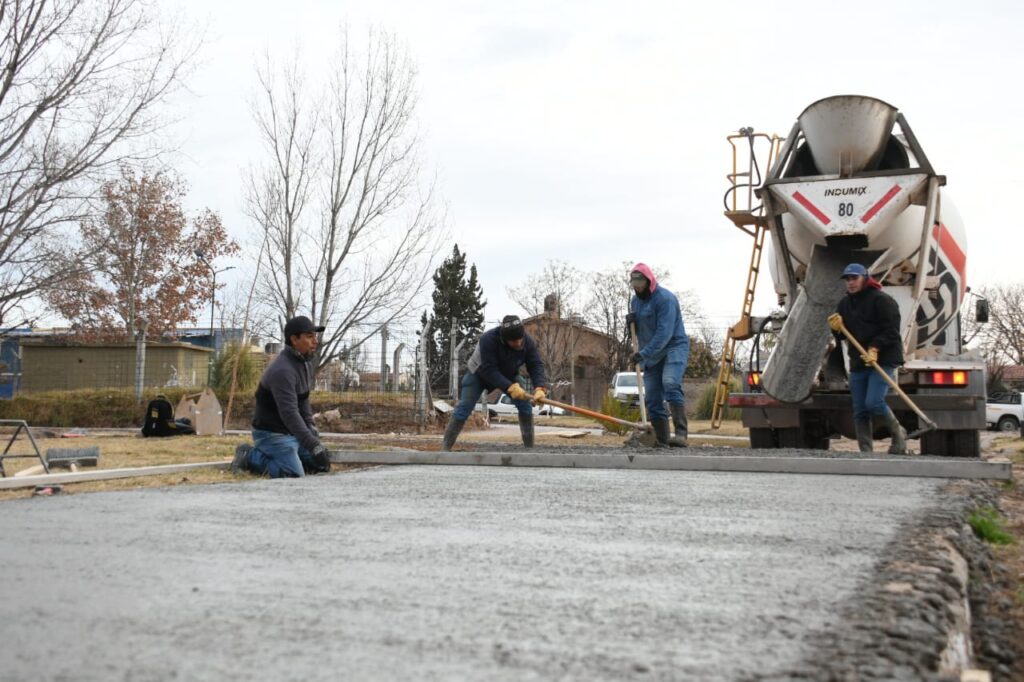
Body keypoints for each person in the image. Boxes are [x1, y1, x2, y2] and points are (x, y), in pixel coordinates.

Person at [231, 315, 333, 477]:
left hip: (291, 432)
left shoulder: (303, 363)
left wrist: (311, 431)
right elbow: (290, 413)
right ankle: (249, 456)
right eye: (309, 336)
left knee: (320, 464)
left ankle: (294, 456)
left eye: (315, 336)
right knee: (292, 474)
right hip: (272, 433)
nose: (315, 341)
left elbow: (303, 400)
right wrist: (313, 445)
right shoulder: (283, 371)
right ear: (294, 340)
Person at [828, 263, 907, 454]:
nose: (851, 283)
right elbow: (842, 338)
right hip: (858, 360)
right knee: (860, 409)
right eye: (848, 279)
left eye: (854, 278)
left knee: (873, 402)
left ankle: (899, 433)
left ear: (865, 278)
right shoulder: (845, 305)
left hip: (883, 358)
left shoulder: (882, 301)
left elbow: (891, 331)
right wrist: (835, 329)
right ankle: (866, 452)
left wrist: (875, 347)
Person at [442, 315, 546, 451]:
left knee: (525, 406)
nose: (519, 343)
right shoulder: (488, 339)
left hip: (508, 375)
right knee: (464, 408)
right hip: (479, 374)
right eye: (514, 341)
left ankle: (529, 449)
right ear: (505, 338)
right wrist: (509, 387)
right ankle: (444, 449)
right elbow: (489, 369)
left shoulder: (527, 342)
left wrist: (539, 387)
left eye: (520, 339)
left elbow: (535, 364)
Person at [627, 263, 690, 447]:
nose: (638, 288)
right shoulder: (635, 301)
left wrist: (643, 354)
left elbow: (664, 333)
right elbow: (639, 330)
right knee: (653, 396)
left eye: (640, 284)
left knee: (670, 382)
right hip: (652, 354)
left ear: (649, 281)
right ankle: (661, 439)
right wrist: (631, 323)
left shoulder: (665, 299)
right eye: (634, 285)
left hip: (673, 347)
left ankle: (680, 434)